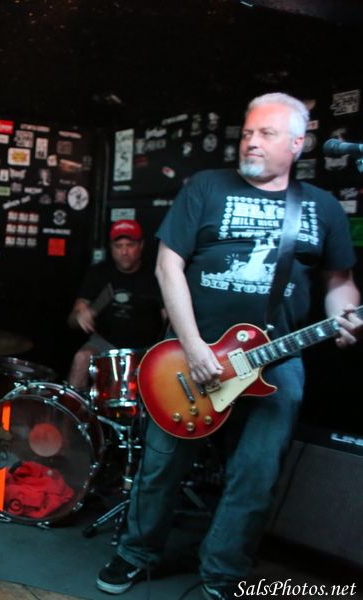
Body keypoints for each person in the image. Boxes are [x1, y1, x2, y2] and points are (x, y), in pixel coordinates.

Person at [96, 93, 361, 600]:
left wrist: (344, 315)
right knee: (161, 467)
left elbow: (339, 282)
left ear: (297, 143)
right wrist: (194, 346)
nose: (251, 142)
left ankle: (221, 573)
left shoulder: (321, 207)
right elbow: (168, 265)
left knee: (255, 478)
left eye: (266, 134)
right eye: (247, 132)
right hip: (189, 355)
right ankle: (136, 552)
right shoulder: (207, 187)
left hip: (276, 358)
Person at [66, 218, 165, 390]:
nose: (124, 252)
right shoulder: (99, 273)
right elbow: (72, 320)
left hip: (145, 348)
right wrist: (80, 316)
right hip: (105, 343)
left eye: (130, 245)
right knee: (81, 358)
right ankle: (73, 406)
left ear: (141, 245)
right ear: (111, 248)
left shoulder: (155, 276)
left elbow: (169, 320)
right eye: (118, 246)